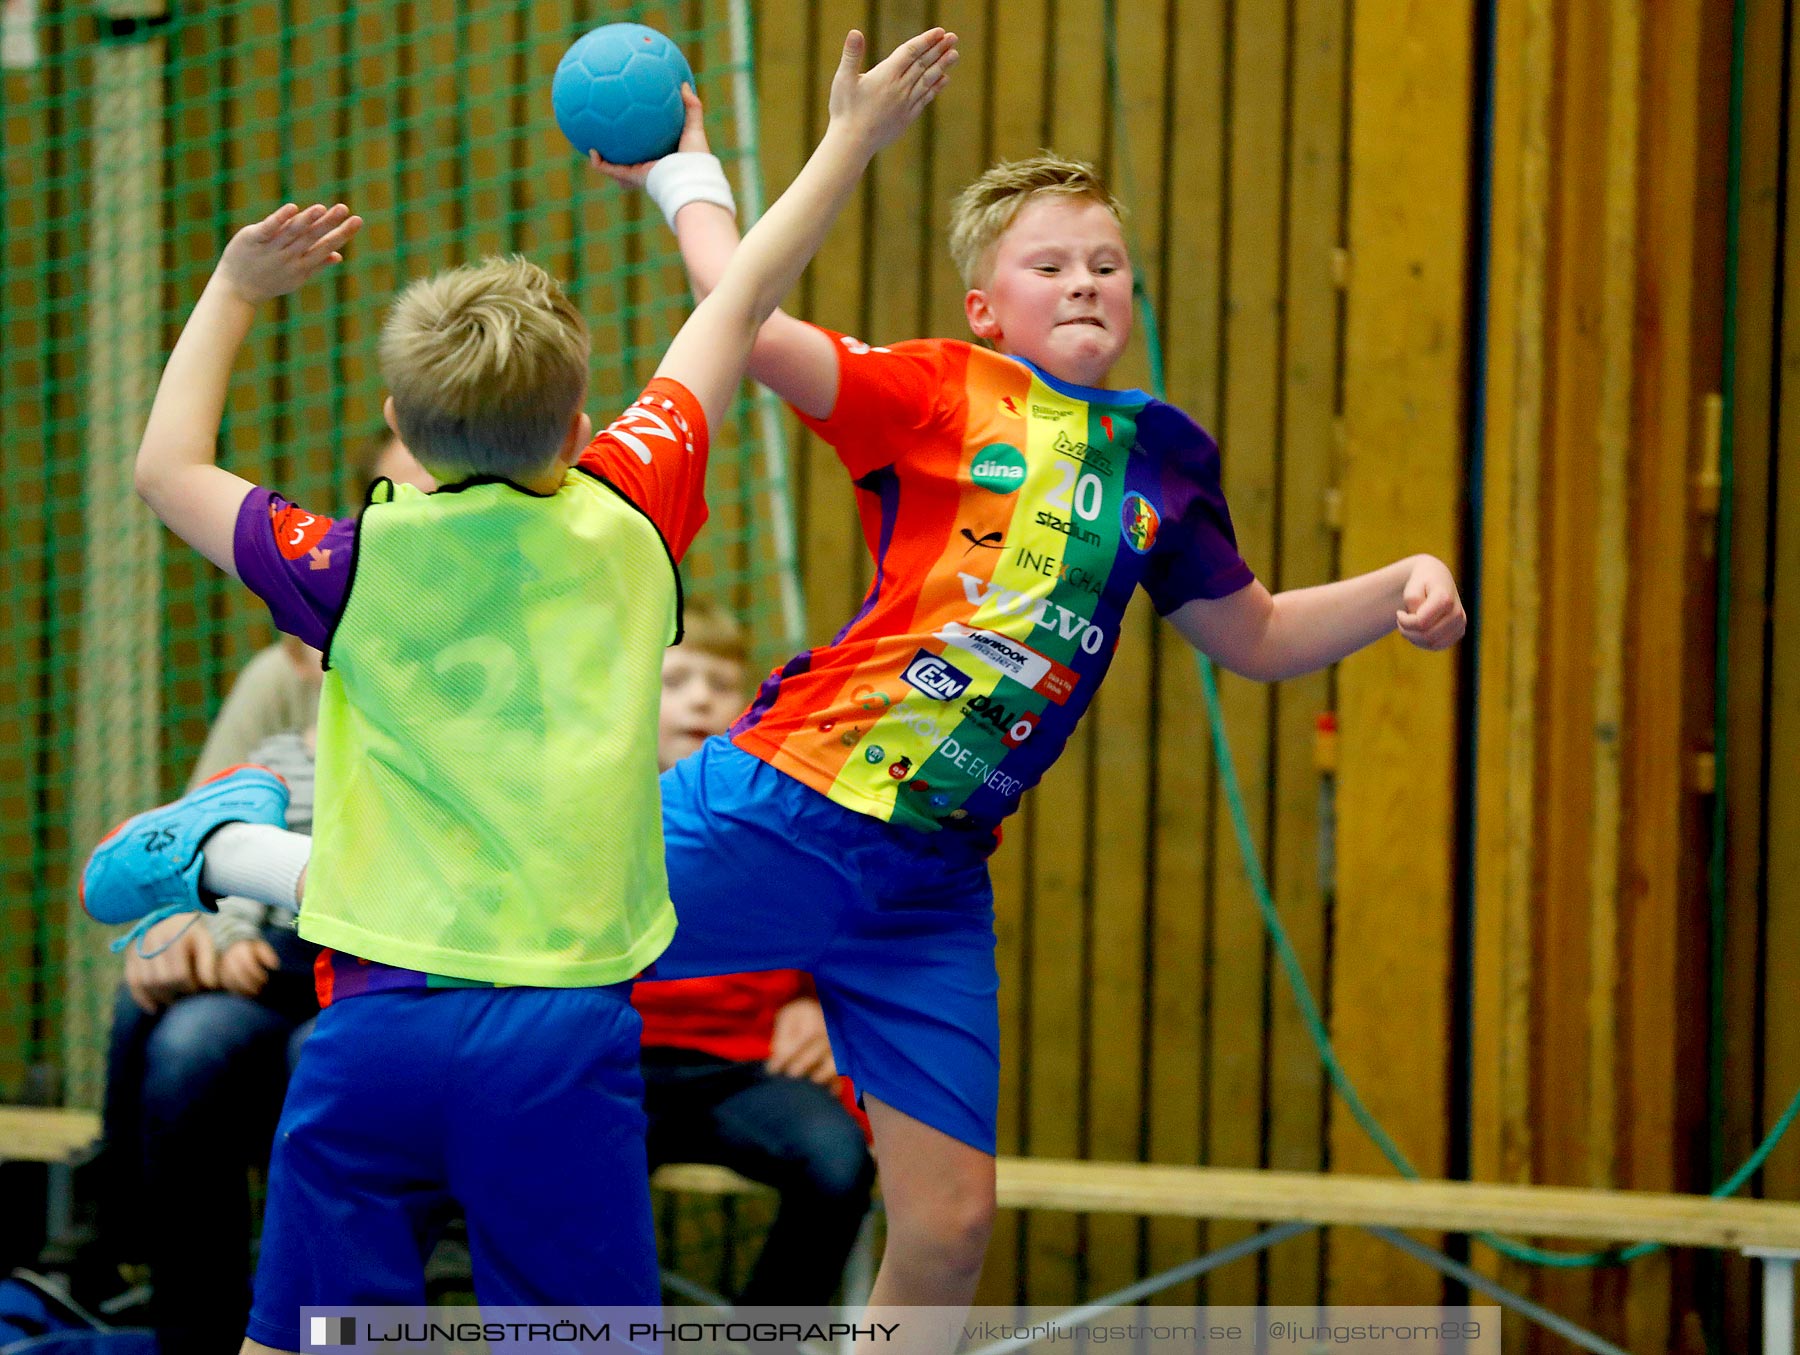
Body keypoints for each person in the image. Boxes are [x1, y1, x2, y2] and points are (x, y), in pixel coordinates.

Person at [80, 26, 958, 1354]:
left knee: (294, 1341)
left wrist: (234, 283)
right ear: (579, 416)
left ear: (398, 414)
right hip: (556, 1033)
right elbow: (738, 302)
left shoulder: (351, 559)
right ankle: (241, 844)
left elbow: (163, 466)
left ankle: (239, 846)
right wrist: (823, 139)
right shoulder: (626, 511)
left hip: (371, 1025)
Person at [592, 110, 1469, 1330]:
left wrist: (1400, 582)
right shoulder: (936, 389)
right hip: (796, 799)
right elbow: (740, 309)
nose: (1085, 282)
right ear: (984, 307)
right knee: (486, 951)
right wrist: (684, 173)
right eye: (1049, 264)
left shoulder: (1163, 460)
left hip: (928, 886)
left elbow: (1255, 635)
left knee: (948, 1230)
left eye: (1107, 265)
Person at [91, 436, 434, 1355]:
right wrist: (192, 925)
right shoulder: (289, 716)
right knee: (180, 1036)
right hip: (289, 951)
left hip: (415, 970)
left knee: (315, 1065)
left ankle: (326, 1326)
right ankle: (158, 1287)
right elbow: (211, 835)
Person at [637, 606, 875, 1306]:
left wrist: (822, 1006)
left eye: (720, 683)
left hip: (741, 1066)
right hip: (606, 1060)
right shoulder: (583, 808)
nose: (702, 698)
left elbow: (854, 934)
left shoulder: (790, 815)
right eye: (675, 679)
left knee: (836, 1164)